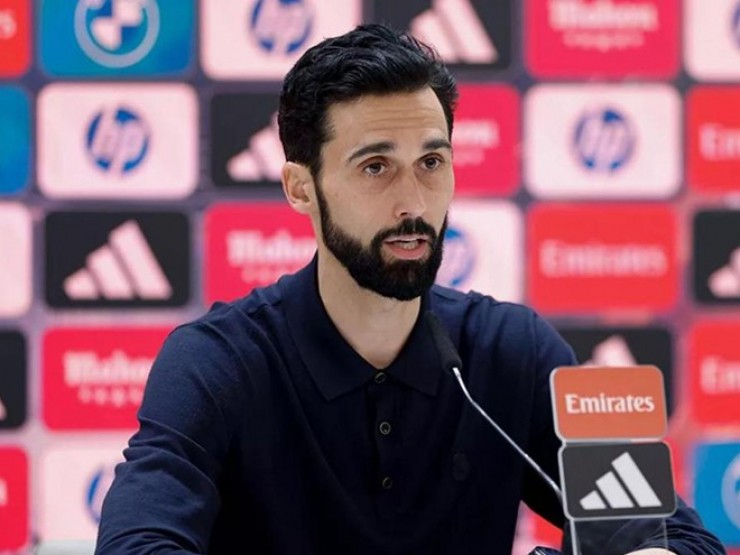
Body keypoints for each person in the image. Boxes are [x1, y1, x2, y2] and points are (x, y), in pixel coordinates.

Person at [95, 24, 724, 555]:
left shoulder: (511, 350)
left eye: (431, 162)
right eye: (376, 167)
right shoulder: (218, 362)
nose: (414, 203)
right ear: (300, 188)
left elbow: (678, 537)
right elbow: (135, 545)